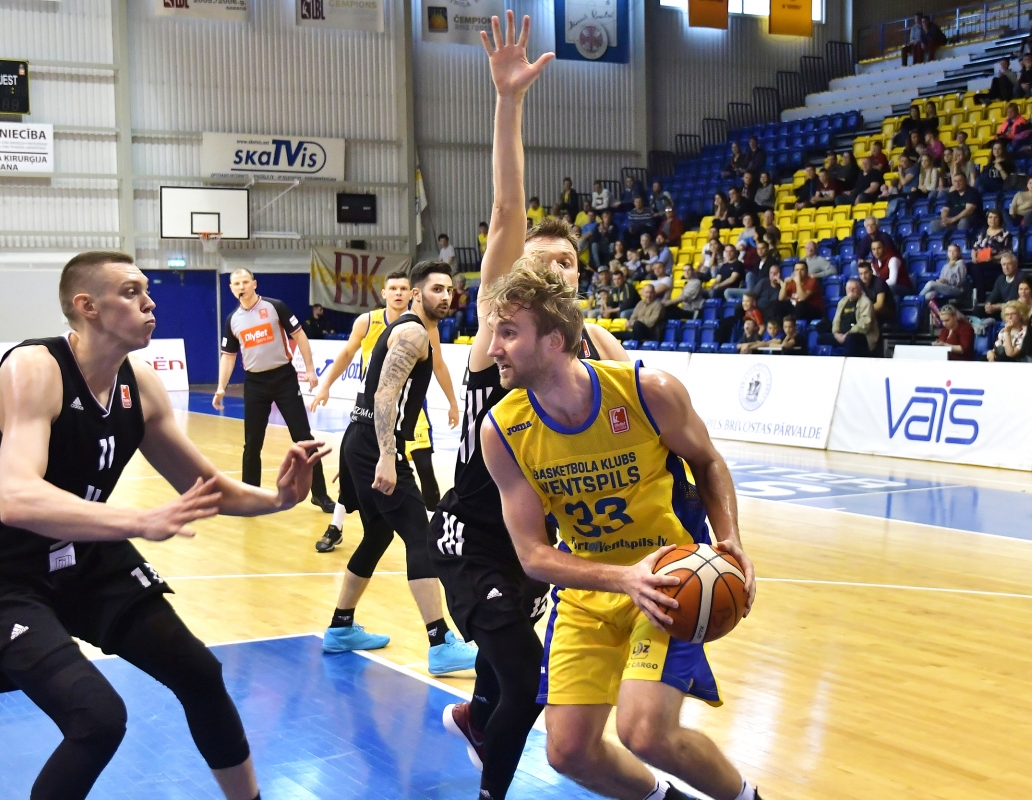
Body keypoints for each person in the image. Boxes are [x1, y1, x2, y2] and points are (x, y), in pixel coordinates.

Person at [0, 250, 329, 800]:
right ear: (87, 306)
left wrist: (279, 499)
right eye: (132, 292)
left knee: (200, 674)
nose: (150, 302)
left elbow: (205, 487)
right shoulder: (35, 368)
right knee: (97, 719)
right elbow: (17, 499)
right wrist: (137, 520)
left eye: (146, 291)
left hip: (79, 549)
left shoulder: (141, 386)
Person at [434, 18, 628, 799]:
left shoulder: (601, 352)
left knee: (504, 676)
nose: (556, 270)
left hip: (539, 542)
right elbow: (508, 204)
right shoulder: (497, 332)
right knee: (523, 675)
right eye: (541, 261)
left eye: (569, 262)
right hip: (474, 535)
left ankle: (474, 720)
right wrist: (509, 102)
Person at [479, 264, 759, 800]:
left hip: (670, 581)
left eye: (508, 333)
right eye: (495, 332)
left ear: (554, 340)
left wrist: (730, 539)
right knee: (568, 752)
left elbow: (707, 461)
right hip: (590, 591)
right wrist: (622, 578)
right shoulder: (503, 430)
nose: (493, 348)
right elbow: (533, 554)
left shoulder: (647, 391)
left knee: (645, 732)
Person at [319, 260, 478, 675]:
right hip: (376, 442)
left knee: (377, 534)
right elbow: (385, 396)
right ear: (416, 294)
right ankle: (440, 643)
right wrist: (387, 455)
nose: (446, 296)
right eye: (437, 289)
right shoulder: (412, 333)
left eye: (449, 290)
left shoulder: (418, 330)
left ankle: (340, 626)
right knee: (421, 536)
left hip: (362, 440)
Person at [214, 270, 334, 512]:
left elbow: (300, 336)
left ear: (254, 284)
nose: (241, 286)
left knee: (304, 438)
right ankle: (250, 496)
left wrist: (310, 369)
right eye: (236, 283)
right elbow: (228, 357)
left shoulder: (274, 307)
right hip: (255, 384)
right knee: (252, 443)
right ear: (231, 288)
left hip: (284, 379)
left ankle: (320, 494)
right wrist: (220, 387)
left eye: (245, 282)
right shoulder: (232, 320)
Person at [819, 278, 879, 357]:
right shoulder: (842, 302)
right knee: (821, 338)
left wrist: (847, 334)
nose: (851, 290)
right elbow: (836, 320)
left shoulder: (866, 302)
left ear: (859, 289)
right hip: (841, 335)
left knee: (850, 339)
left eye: (854, 288)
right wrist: (836, 334)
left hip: (860, 335)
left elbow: (865, 324)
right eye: (849, 288)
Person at [921, 244, 968, 324]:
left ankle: (918, 300)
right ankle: (929, 315)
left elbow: (960, 281)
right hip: (945, 288)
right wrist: (941, 281)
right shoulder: (945, 266)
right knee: (928, 296)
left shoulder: (961, 264)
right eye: (950, 251)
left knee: (930, 283)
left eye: (954, 251)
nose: (952, 253)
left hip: (956, 289)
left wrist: (947, 281)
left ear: (959, 253)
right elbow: (942, 279)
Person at [981, 250, 1021, 319]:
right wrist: (988, 304)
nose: (1006, 267)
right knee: (979, 311)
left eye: (1009, 264)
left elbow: (1015, 302)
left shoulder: (1021, 278)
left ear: (1015, 265)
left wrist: (998, 306)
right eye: (1004, 264)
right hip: (1003, 309)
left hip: (1016, 310)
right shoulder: (1000, 278)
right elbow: (994, 294)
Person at [857, 260, 896, 330]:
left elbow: (879, 305)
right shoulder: (859, 283)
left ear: (871, 272)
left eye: (866, 273)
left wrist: (863, 311)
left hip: (886, 313)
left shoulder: (879, 283)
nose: (863, 276)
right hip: (870, 311)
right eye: (861, 274)